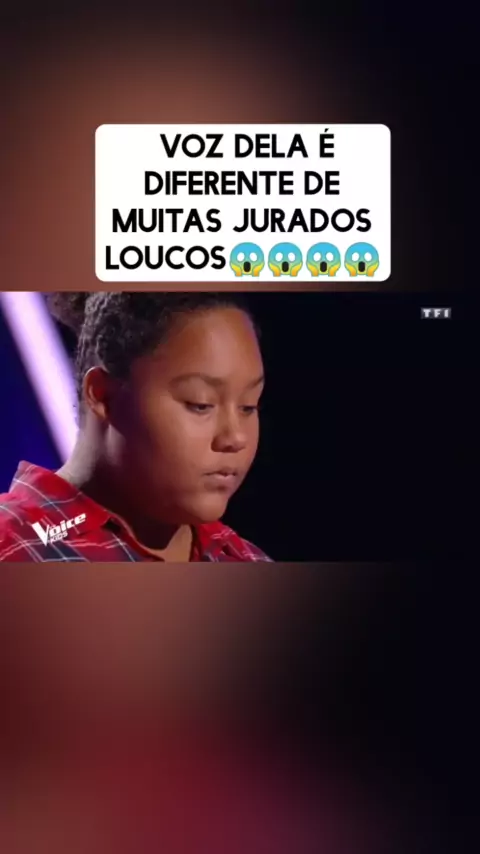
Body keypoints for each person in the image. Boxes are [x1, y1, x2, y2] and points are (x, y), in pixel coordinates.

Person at [0, 293, 271, 562]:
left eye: (248, 406)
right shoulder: (18, 549)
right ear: (103, 395)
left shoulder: (246, 560)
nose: (235, 437)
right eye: (200, 404)